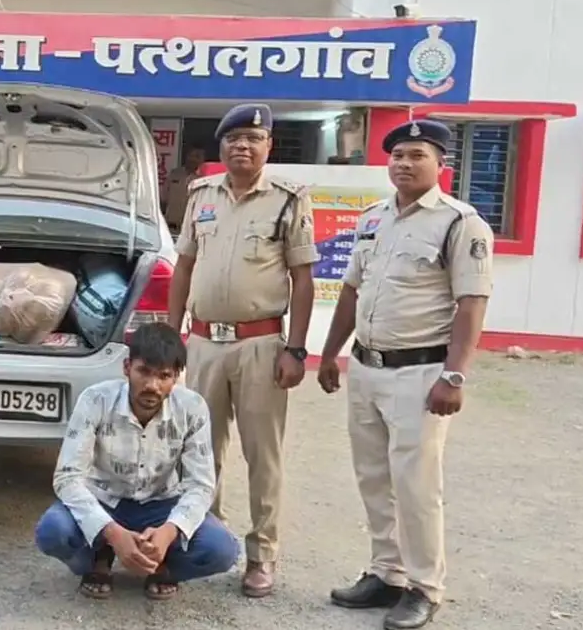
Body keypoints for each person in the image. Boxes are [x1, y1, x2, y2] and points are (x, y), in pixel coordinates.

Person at [317, 120, 493, 629]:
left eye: (417, 155)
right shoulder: (373, 218)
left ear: (442, 165)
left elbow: (471, 303)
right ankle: (387, 573)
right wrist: (330, 353)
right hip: (366, 367)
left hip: (420, 373)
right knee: (374, 478)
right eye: (397, 155)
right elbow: (352, 290)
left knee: (416, 486)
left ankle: (424, 587)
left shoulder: (460, 224)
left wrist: (454, 376)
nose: (404, 163)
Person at [165, 103, 319, 597]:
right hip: (204, 342)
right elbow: (184, 267)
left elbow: (302, 278)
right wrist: (172, 334)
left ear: (268, 146)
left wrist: (296, 349)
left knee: (262, 455)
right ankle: (203, 543)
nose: (242, 147)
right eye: (234, 139)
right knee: (200, 452)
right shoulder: (201, 194)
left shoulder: (288, 200)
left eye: (253, 139)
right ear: (222, 145)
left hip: (261, 344)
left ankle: (261, 555)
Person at [33, 322, 239, 601]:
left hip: (160, 505)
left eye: (164, 376)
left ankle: (161, 565)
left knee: (223, 550)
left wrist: (169, 532)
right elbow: (67, 477)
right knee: (52, 532)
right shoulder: (95, 400)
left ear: (177, 377)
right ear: (127, 367)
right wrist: (111, 533)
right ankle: (98, 559)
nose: (152, 386)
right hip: (103, 499)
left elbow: (201, 485)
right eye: (144, 372)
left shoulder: (192, 408)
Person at [162, 145, 208, 231]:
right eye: (191, 155)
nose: (193, 159)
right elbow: (163, 200)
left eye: (197, 156)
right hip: (169, 227)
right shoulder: (175, 173)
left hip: (191, 230)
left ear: (203, 160)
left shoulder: (205, 180)